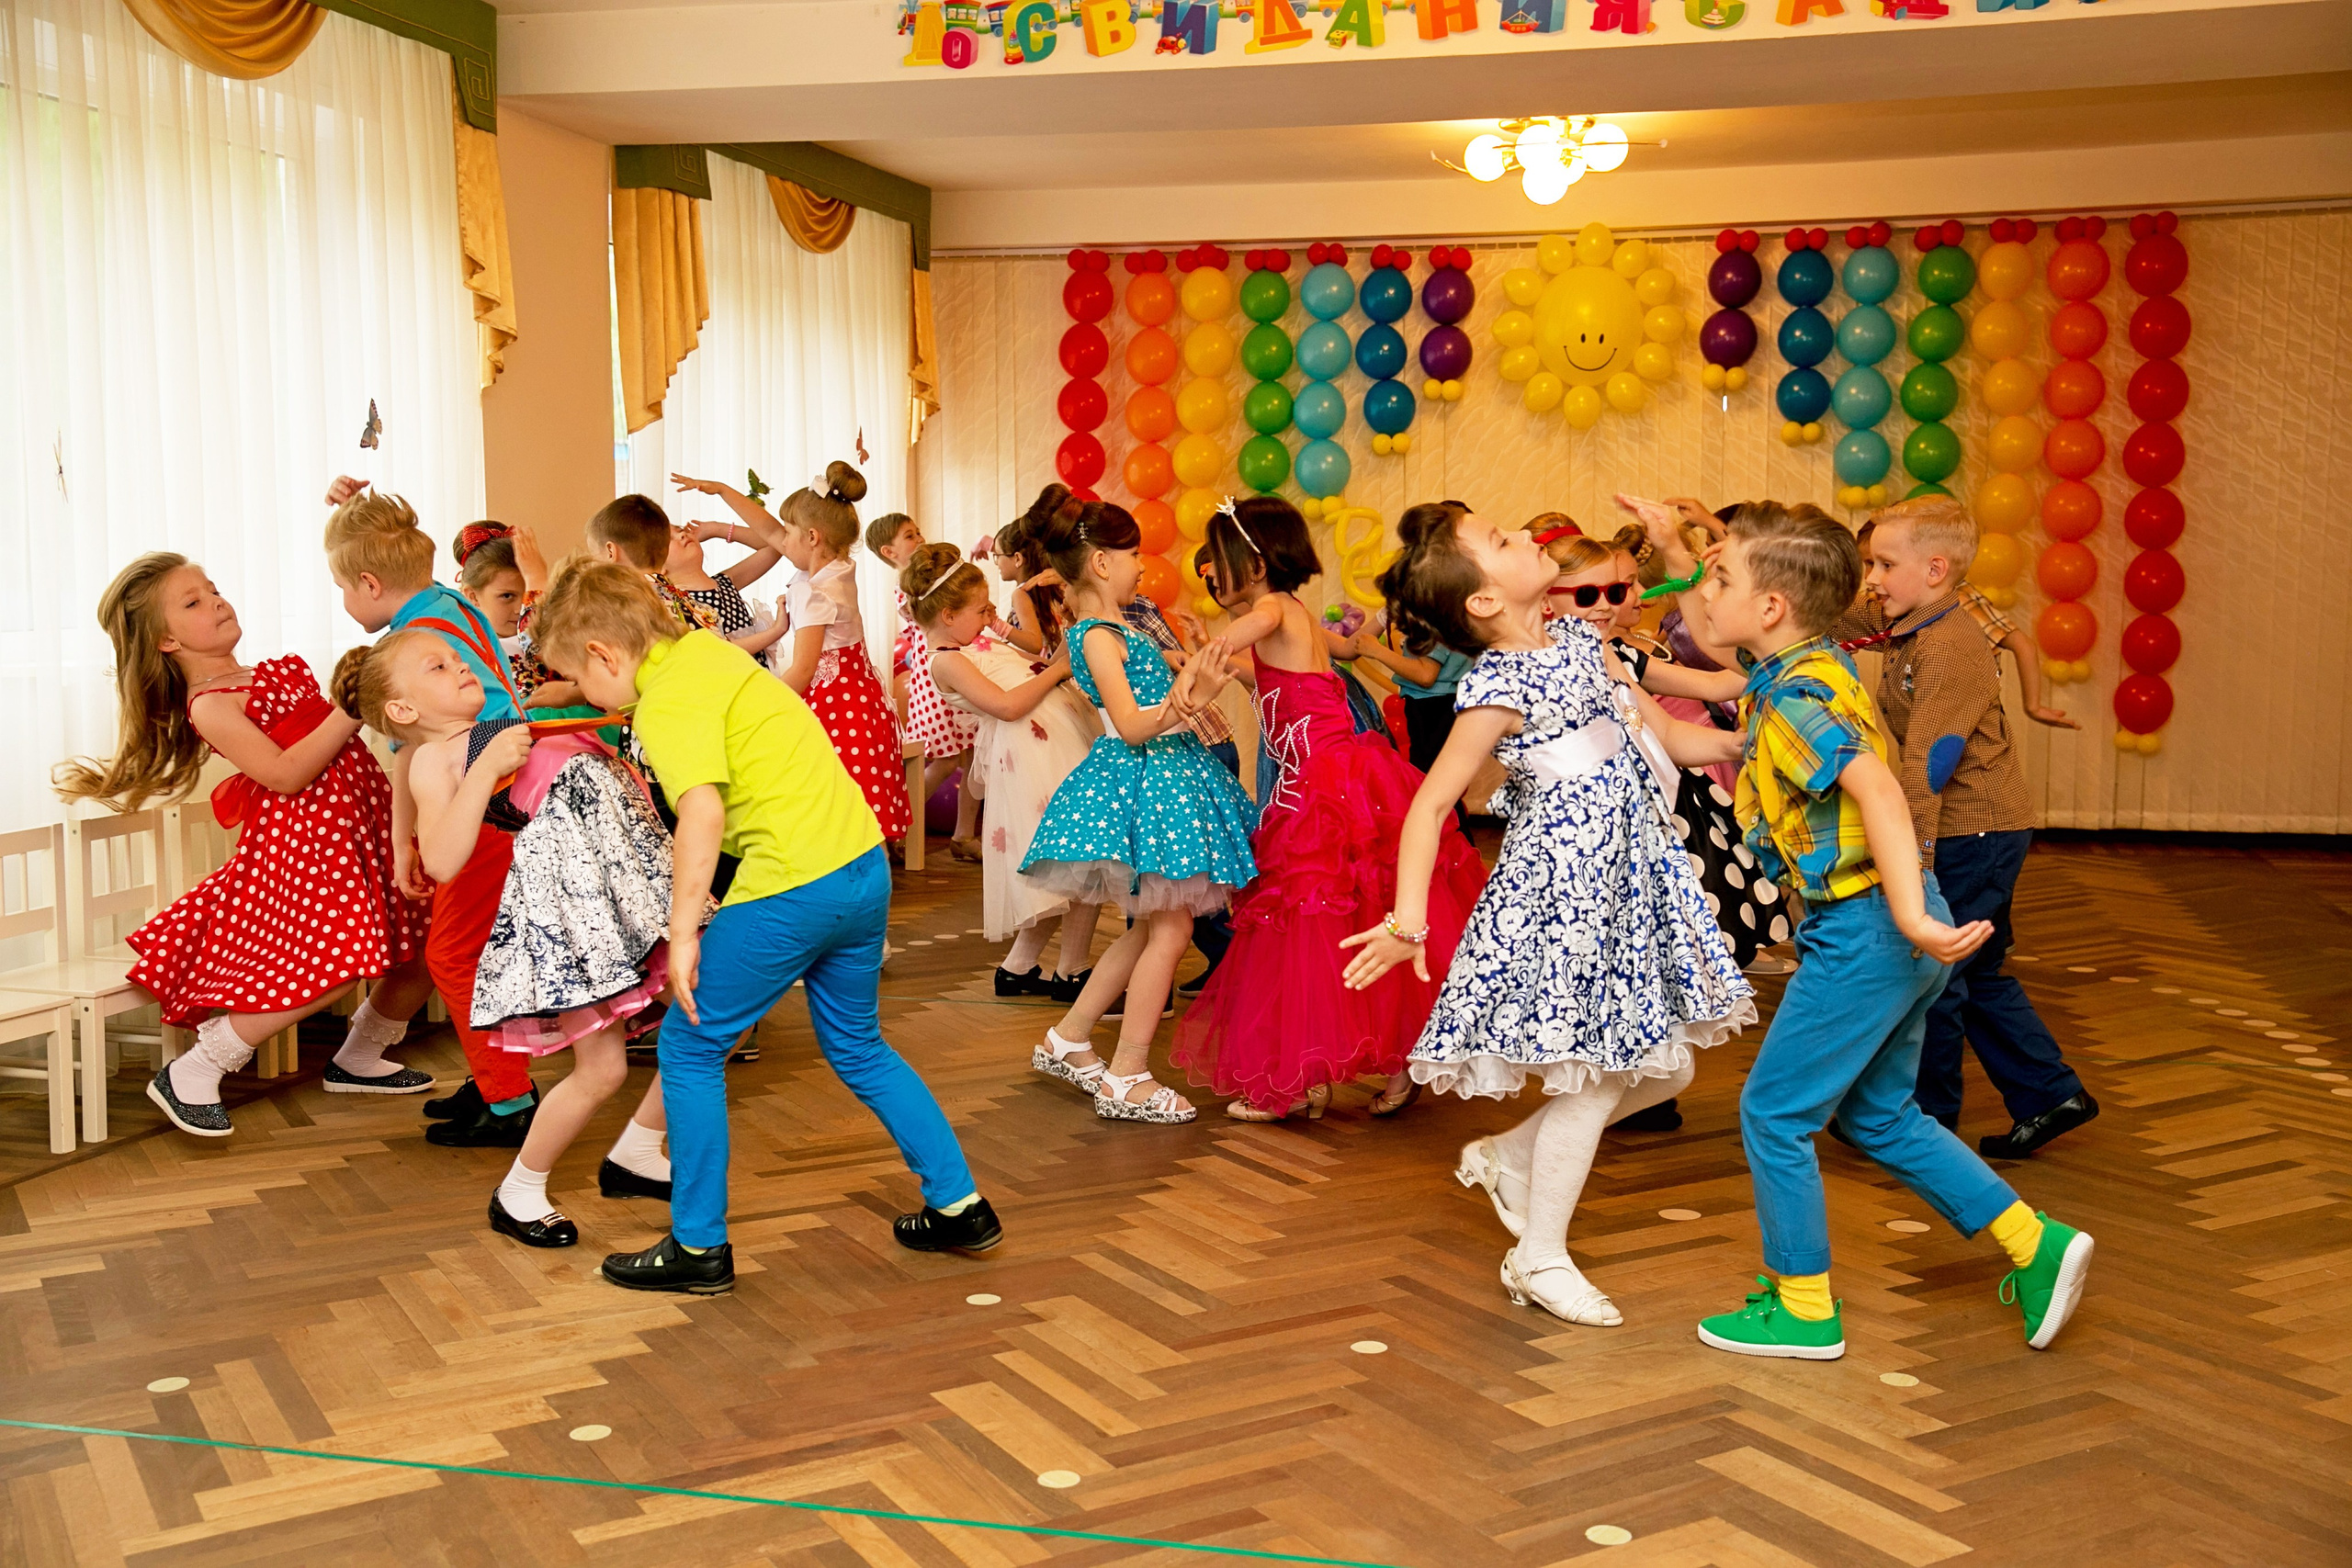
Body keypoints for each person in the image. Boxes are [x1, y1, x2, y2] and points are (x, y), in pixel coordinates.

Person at [1661, 500, 2093, 1359]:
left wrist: (1905, 917)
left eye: (1721, 578)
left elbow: (1881, 790)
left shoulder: (1795, 701)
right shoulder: (1802, 670)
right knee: (1881, 1115)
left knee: (1773, 1112)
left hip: (1869, 931)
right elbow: (1688, 727)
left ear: (1772, 607)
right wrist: (1612, 688)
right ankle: (2034, 1243)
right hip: (1890, 929)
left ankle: (1804, 1306)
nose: (1703, 591)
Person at [535, 560, 999, 1293]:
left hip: (792, 883)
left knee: (689, 1045)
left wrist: (684, 931)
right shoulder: (709, 653)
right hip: (860, 867)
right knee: (859, 1044)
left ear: (604, 654)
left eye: (580, 678)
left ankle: (697, 1247)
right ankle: (958, 1203)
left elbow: (703, 812)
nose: (588, 696)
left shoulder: (666, 701)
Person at [1342, 504, 1751, 1327]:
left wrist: (1759, 739)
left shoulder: (1583, 645)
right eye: (1501, 542)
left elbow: (1668, 736)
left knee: (1669, 1069)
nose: (1524, 537)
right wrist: (1407, 922)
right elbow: (1429, 808)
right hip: (1562, 896)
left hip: (1631, 881)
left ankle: (1509, 1155)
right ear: (1486, 602)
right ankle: (1539, 1256)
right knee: (1598, 1079)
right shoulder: (1495, 685)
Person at [53, 555, 435, 1136]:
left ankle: (358, 1057)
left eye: (212, 591)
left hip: (363, 823)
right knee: (337, 963)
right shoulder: (210, 704)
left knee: (428, 939)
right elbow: (285, 774)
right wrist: (346, 708)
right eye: (193, 603)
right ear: (165, 641)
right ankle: (196, 1069)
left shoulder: (277, 671)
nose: (217, 602)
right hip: (309, 845)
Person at [337, 632, 674, 1246]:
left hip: (628, 891)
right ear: (403, 711)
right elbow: (441, 859)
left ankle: (642, 1146)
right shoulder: (438, 759)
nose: (461, 668)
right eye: (438, 667)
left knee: (716, 1014)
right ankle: (519, 1190)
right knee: (603, 1072)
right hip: (579, 919)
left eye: (459, 659)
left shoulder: (506, 723)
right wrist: (487, 769)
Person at [1173, 497, 1488, 1122]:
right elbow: (1261, 676)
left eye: (1222, 561)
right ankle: (1336, 1073)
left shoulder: (1275, 607)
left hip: (1325, 783)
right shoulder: (1292, 619)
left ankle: (1301, 1079)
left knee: (1309, 924)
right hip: (1319, 779)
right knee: (1344, 919)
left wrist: (1207, 658)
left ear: (1255, 561)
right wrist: (1201, 657)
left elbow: (1246, 632)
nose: (1213, 575)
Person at [1841, 498, 2097, 1156]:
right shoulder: (1912, 617)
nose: (1871, 577)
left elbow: (1929, 771)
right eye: (1870, 561)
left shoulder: (1952, 648)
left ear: (1934, 569)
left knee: (1938, 977)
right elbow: (1832, 611)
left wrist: (1913, 871)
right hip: (1979, 828)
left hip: (1970, 832)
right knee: (1978, 971)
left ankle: (1923, 1125)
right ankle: (2049, 1093)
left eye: (1883, 564)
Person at [1019, 498, 1258, 1125]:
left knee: (1154, 926)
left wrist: (1188, 674)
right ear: (1100, 561)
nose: (1141, 567)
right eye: (1132, 556)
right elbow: (1128, 725)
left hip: (1168, 778)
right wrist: (1191, 695)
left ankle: (1070, 1036)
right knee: (1172, 930)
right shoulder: (1098, 636)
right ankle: (1127, 1071)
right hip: (1150, 778)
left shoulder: (1119, 628)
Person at [322, 483, 541, 1146]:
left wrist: (454, 781)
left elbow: (496, 722)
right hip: (489, 804)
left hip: (491, 812)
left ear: (366, 582)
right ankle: (493, 1078)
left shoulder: (416, 641)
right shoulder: (448, 605)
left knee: (453, 956)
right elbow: (416, 755)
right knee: (466, 952)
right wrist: (402, 839)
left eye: (341, 587)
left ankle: (510, 1101)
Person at [1539, 522, 1791, 976]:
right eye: (1586, 596)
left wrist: (1747, 740)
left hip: (1644, 828)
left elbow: (1669, 735)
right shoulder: (1534, 670)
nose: (1605, 607)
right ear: (1544, 600)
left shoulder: (1611, 655)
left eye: (1615, 593)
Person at [902, 542, 1103, 1006]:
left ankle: (1020, 968)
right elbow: (1009, 705)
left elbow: (1024, 657)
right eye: (980, 609)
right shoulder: (947, 659)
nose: (989, 615)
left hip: (1053, 743)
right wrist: (1059, 671)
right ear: (948, 615)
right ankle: (1072, 970)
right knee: (1082, 859)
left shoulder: (972, 640)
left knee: (1076, 861)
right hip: (1032, 756)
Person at [673, 463, 912, 844]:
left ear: (813, 537)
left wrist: (759, 706)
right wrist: (720, 489)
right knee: (858, 810)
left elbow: (802, 671)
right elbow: (771, 531)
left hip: (837, 709)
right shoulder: (838, 567)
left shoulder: (812, 593)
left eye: (790, 534)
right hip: (863, 702)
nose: (781, 540)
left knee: (840, 811)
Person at [874, 513, 984, 861]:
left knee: (972, 755)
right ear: (889, 551)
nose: (919, 538)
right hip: (932, 676)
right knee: (946, 760)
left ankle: (964, 834)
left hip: (954, 664)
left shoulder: (929, 580)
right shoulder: (905, 590)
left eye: (919, 532)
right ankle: (895, 827)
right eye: (910, 536)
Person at [667, 518, 787, 656]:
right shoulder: (677, 607)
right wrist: (777, 630)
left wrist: (717, 529)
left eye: (680, 529)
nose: (682, 535)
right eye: (668, 540)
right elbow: (721, 651)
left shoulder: (725, 581)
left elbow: (776, 545)